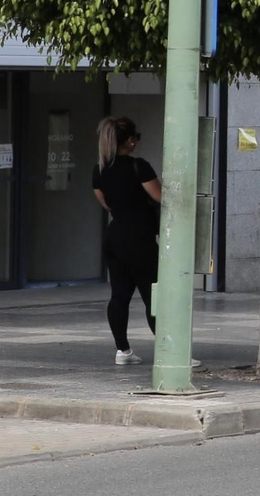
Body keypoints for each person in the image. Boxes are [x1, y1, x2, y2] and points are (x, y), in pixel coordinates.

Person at [91, 116, 160, 365]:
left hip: (115, 237)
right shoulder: (139, 167)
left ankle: (123, 350)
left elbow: (106, 203)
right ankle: (169, 350)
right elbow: (162, 197)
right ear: (130, 141)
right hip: (140, 238)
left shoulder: (99, 170)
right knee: (153, 296)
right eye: (137, 137)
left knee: (119, 295)